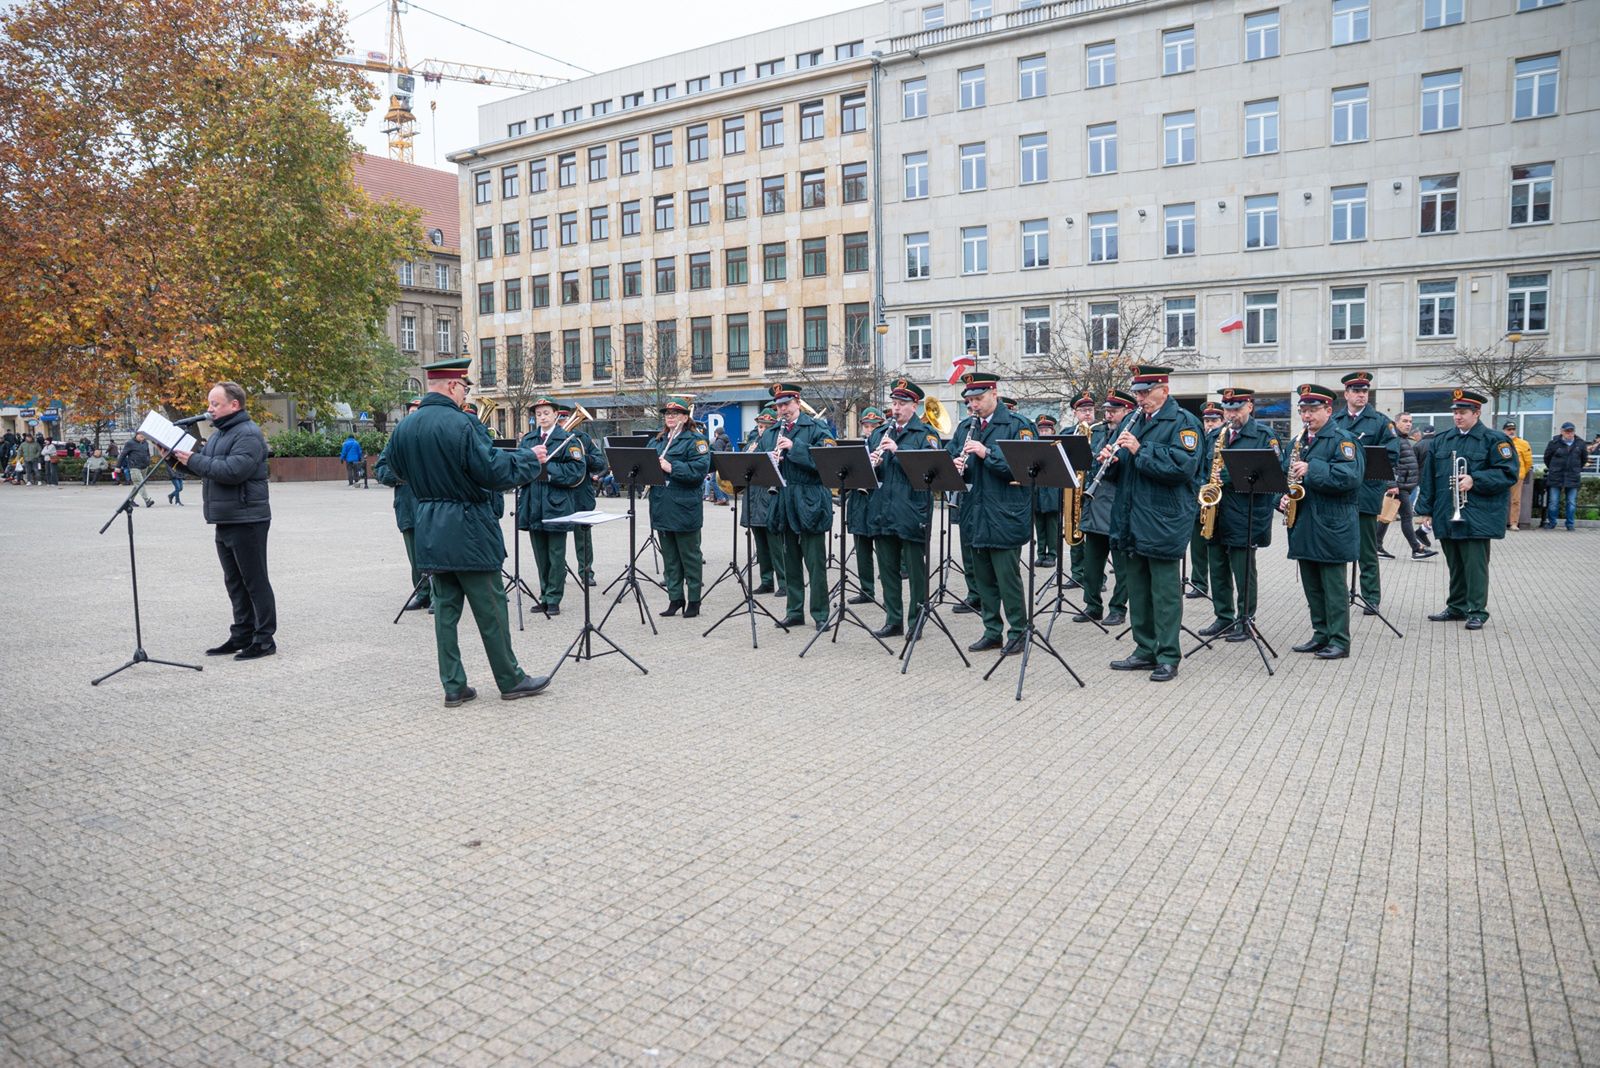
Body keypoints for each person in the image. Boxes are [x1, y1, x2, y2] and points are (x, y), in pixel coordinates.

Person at [380, 359, 549, 704]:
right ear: (454, 386)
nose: (465, 394)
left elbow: (393, 469)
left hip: (429, 524)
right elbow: (491, 471)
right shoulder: (463, 424)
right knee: (490, 607)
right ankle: (510, 679)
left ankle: (453, 685)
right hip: (468, 524)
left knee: (445, 609)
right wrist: (530, 459)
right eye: (465, 388)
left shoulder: (404, 428)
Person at [1101, 366, 1202, 682]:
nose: (1140, 398)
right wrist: (1111, 461)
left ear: (1164, 390)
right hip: (1131, 518)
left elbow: (1182, 468)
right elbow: (1124, 473)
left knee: (1164, 592)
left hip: (1163, 519)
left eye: (1146, 392)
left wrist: (1141, 450)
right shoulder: (1133, 422)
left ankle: (1168, 655)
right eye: (1138, 393)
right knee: (1139, 589)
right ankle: (1144, 649)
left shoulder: (1185, 423)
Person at [172, 382, 278, 660]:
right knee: (234, 580)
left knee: (254, 580)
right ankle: (242, 633)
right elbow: (208, 468)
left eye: (215, 404)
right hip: (226, 517)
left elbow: (232, 471)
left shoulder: (249, 434)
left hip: (248, 518)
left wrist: (194, 459)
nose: (209, 409)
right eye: (209, 404)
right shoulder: (220, 435)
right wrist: (177, 460)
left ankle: (265, 639)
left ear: (235, 405)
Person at [949, 371, 1037, 654]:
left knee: (1007, 578)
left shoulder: (1017, 425)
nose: (973, 405)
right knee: (983, 579)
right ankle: (992, 630)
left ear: (994, 394)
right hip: (974, 513)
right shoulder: (965, 428)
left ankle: (1019, 632)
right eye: (970, 401)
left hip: (1005, 513)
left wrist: (988, 454)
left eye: (978, 399)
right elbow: (950, 458)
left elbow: (1027, 468)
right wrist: (954, 467)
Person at [1417, 389, 1519, 629]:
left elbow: (1508, 473)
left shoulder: (1495, 440)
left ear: (1477, 412)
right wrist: (1427, 509)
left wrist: (1476, 479)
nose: (1457, 417)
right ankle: (1456, 606)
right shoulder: (1442, 440)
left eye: (1462, 412)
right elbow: (1429, 477)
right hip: (1446, 510)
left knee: (1474, 564)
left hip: (1478, 512)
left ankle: (1477, 610)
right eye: (1455, 412)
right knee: (1455, 563)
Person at [1282, 384, 1363, 659]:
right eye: (1303, 410)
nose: (1307, 416)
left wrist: (1312, 468)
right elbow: (1284, 478)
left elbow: (1350, 477)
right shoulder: (1297, 442)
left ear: (1329, 410)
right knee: (1312, 586)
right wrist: (1281, 499)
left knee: (1334, 587)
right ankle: (1320, 634)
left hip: (1332, 524)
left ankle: (1339, 640)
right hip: (1303, 523)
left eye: (1313, 410)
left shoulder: (1344, 440)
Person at [1196, 388, 1281, 642]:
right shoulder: (1216, 436)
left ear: (1250, 407)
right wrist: (1204, 486)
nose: (1231, 414)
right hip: (1216, 512)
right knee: (1218, 568)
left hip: (1246, 513)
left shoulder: (1265, 436)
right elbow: (1201, 468)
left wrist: (1228, 478)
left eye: (1236, 409)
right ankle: (1223, 617)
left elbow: (1272, 476)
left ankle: (1245, 620)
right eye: (1228, 409)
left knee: (1243, 570)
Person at [866, 379, 941, 638]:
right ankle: (893, 620)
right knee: (887, 570)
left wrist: (898, 452)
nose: (896, 409)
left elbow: (930, 471)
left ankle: (917, 619)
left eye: (901, 404)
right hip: (882, 510)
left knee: (915, 571)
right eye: (894, 403)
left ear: (914, 406)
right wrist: (870, 464)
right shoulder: (878, 434)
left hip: (912, 510)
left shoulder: (926, 435)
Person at [1329, 371, 1400, 616]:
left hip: (1366, 492)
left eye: (1365, 391)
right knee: (1336, 546)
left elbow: (1391, 455)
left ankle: (1371, 597)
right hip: (1338, 493)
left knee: (1367, 550)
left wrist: (1356, 461)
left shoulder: (1380, 422)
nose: (1361, 395)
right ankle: (1336, 595)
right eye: (1356, 391)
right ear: (1346, 394)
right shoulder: (1336, 420)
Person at [769, 382, 836, 631]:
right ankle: (794, 611)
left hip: (810, 498)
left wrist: (794, 447)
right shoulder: (774, 431)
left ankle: (820, 613)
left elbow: (825, 461)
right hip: (784, 499)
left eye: (786, 404)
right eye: (779, 406)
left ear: (797, 402)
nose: (782, 409)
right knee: (790, 560)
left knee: (815, 562)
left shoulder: (817, 427)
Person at [515, 396, 587, 616]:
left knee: (556, 554)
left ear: (556, 415)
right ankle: (544, 595)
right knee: (540, 554)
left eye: (546, 413)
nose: (542, 417)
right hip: (532, 503)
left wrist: (549, 470)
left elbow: (577, 472)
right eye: (538, 414)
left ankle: (554, 597)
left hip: (556, 503)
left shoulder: (568, 439)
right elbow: (517, 466)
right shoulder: (529, 440)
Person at [1073, 392, 1133, 627]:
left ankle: (1118, 609)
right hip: (1095, 502)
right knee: (1092, 563)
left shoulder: (1132, 434)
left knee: (1121, 566)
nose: (1108, 415)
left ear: (1126, 411)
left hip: (1118, 505)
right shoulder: (1098, 430)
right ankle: (1092, 605)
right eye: (1106, 410)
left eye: (1114, 411)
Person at [648, 398, 712, 617]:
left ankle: (694, 600)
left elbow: (698, 472)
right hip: (662, 505)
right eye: (667, 414)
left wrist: (671, 466)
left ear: (685, 417)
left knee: (690, 556)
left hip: (684, 507)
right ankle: (675, 599)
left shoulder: (696, 441)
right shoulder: (658, 440)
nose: (670, 417)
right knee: (670, 558)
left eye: (675, 414)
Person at [375, 397, 431, 613]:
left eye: (418, 412)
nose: (414, 415)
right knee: (414, 554)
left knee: (433, 551)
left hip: (430, 505)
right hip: (407, 505)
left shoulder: (432, 438)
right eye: (411, 412)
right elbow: (381, 469)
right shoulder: (397, 440)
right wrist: (403, 476)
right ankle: (421, 592)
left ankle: (438, 594)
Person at [557, 403, 608, 587]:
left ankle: (586, 572)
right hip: (558, 493)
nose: (563, 422)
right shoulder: (549, 439)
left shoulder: (583, 438)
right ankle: (557, 572)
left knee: (583, 536)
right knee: (556, 536)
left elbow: (601, 463)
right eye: (560, 419)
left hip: (581, 493)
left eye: (565, 418)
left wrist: (582, 457)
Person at [1375, 413, 1437, 560]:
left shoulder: (1403, 439)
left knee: (1387, 517)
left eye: (1410, 421)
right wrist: (1391, 484)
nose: (1408, 424)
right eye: (1404, 421)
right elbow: (1387, 462)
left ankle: (1376, 546)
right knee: (1407, 517)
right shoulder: (1394, 439)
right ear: (1396, 423)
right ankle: (1417, 549)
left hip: (1404, 485)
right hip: (1399, 485)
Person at [740, 406, 785, 596]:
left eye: (766, 426)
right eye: (760, 425)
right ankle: (766, 580)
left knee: (776, 545)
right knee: (760, 544)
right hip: (753, 497)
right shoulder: (753, 442)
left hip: (770, 496)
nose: (762, 429)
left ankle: (784, 581)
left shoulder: (778, 443)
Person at [848, 406, 886, 606]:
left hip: (878, 501)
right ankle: (866, 589)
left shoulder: (886, 443)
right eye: (866, 425)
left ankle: (888, 591)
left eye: (874, 425)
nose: (869, 429)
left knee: (883, 549)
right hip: (859, 501)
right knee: (861, 548)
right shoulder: (859, 445)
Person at [1188, 404, 1225, 599]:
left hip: (1216, 497)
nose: (1209, 424)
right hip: (1199, 497)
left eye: (1214, 420)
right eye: (1207, 420)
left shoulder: (1223, 437)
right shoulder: (1201, 437)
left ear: (1222, 420)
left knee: (1212, 546)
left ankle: (1209, 584)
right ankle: (1199, 583)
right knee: (1197, 545)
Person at [1033, 409, 1067, 571]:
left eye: (1046, 430)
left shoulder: (1057, 446)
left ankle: (1052, 554)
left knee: (1052, 525)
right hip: (1038, 490)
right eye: (1041, 430)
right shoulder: (1034, 445)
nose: (1043, 432)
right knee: (1039, 524)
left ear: (1053, 431)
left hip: (1052, 491)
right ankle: (1041, 553)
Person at [1542, 422, 1587, 531]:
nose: (1569, 433)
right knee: (1553, 502)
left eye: (1571, 431)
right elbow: (1547, 458)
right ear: (1562, 431)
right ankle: (1552, 523)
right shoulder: (1553, 443)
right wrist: (1553, 469)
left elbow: (1583, 459)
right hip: (1556, 476)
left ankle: (1570, 524)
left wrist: (1576, 470)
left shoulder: (1580, 444)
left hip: (1572, 477)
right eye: (1567, 431)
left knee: (1571, 502)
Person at [1502, 421, 1533, 530]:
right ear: (1504, 431)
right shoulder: (1499, 442)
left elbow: (1528, 462)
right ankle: (1500, 522)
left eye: (1513, 429)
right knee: (1500, 499)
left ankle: (1513, 523)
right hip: (1501, 475)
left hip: (1516, 476)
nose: (1511, 431)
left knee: (1515, 500)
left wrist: (1522, 473)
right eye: (1508, 429)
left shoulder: (1523, 443)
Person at [118, 432, 154, 506]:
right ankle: (147, 500)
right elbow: (123, 455)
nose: (142, 436)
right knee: (139, 483)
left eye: (143, 435)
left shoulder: (145, 443)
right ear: (136, 435)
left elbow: (147, 453)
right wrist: (118, 466)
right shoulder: (130, 443)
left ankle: (130, 500)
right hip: (134, 467)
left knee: (138, 484)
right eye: (140, 435)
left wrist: (148, 461)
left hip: (144, 466)